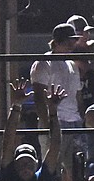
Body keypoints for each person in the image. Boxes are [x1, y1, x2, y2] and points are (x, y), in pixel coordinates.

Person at [31, 23, 84, 167]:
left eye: (73, 41)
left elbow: (77, 95)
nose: (71, 45)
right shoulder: (44, 63)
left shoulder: (72, 65)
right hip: (56, 121)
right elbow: (39, 98)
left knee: (76, 169)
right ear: (56, 42)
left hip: (74, 123)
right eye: (67, 41)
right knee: (53, 168)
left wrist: (82, 119)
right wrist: (48, 125)